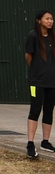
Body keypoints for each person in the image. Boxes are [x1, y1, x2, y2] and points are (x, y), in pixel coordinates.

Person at [26, 9, 55, 158]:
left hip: (52, 81)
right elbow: (28, 56)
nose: (50, 21)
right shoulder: (33, 36)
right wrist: (38, 70)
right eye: (47, 19)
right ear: (39, 20)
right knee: (35, 109)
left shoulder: (52, 37)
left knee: (49, 110)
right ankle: (30, 143)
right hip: (36, 82)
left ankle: (45, 141)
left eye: (51, 19)